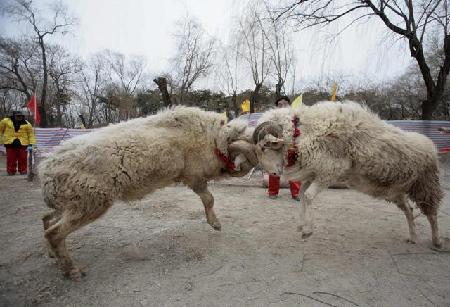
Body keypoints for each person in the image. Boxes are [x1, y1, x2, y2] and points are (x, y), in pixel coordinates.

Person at [268, 96, 302, 201]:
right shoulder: (271, 117)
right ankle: (272, 192)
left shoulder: (295, 116)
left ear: (289, 105)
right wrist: (274, 140)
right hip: (276, 146)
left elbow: (299, 130)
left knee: (293, 169)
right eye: (279, 104)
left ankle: (296, 193)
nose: (282, 106)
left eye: (285, 104)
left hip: (290, 145)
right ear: (276, 106)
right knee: (274, 169)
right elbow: (267, 130)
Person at [0, 110, 36, 175]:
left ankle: (23, 170)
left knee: (23, 158)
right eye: (17, 116)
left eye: (21, 116)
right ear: (13, 116)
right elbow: (0, 131)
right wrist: (0, 141)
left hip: (23, 144)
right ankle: (11, 171)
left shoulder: (27, 124)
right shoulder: (5, 121)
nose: (19, 117)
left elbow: (31, 134)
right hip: (9, 143)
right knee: (11, 159)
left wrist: (31, 143)